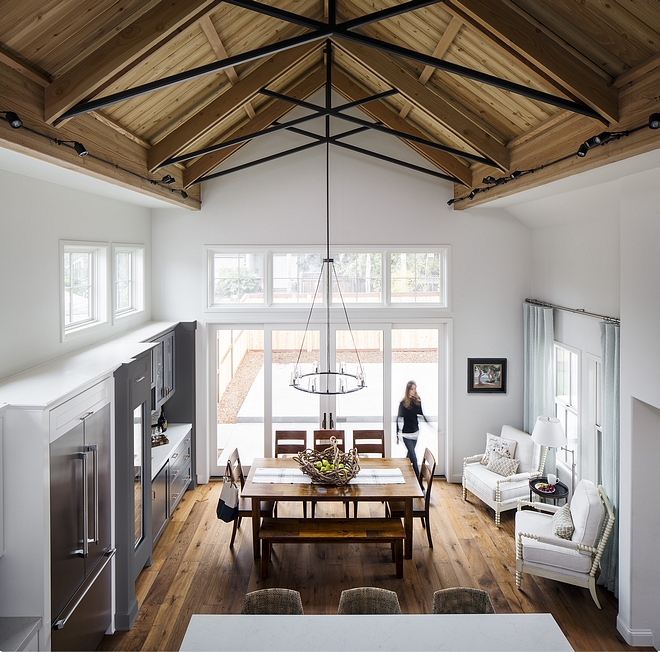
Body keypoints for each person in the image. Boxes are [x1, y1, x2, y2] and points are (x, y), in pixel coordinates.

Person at [396, 380, 427, 480]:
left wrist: (430, 424)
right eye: (412, 389)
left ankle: (402, 475)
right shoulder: (403, 404)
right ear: (408, 390)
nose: (414, 391)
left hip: (415, 433)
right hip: (406, 435)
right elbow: (398, 419)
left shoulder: (417, 401)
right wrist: (397, 435)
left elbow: (421, 414)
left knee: (409, 457)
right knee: (414, 457)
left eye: (415, 388)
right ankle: (419, 482)